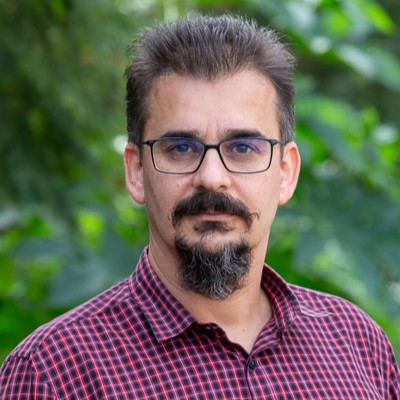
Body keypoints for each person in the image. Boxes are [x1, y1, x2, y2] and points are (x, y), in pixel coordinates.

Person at [1, 14, 399, 399]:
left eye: (243, 147)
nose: (212, 176)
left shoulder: (358, 345)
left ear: (286, 172)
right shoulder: (51, 375)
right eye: (180, 148)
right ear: (137, 171)